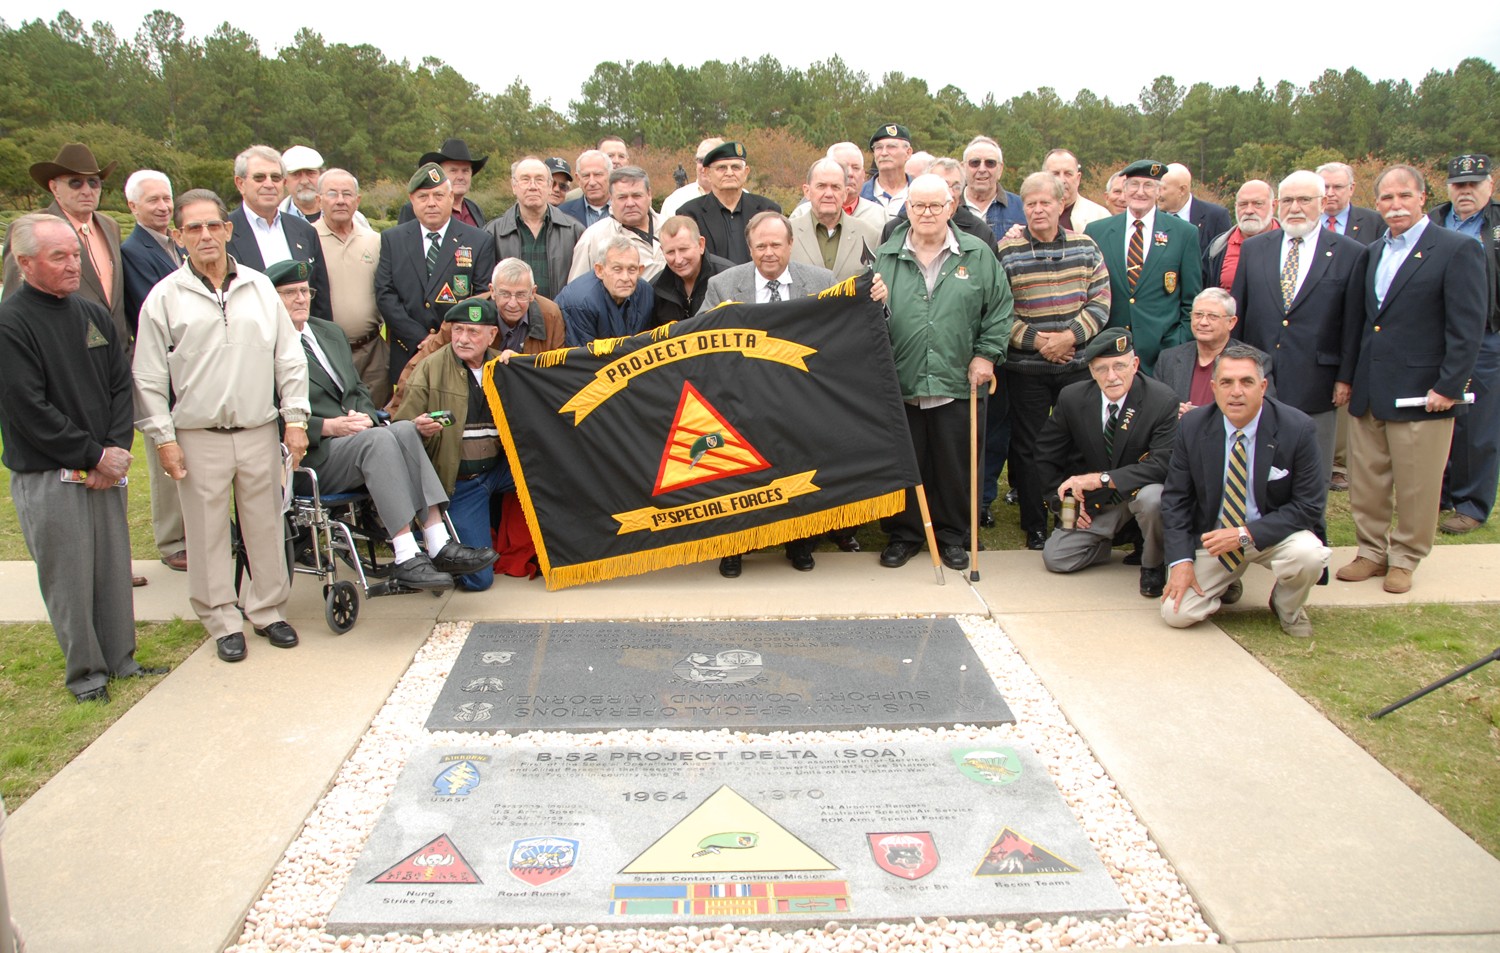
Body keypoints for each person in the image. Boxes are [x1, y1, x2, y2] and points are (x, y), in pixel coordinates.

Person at [133, 188, 311, 664]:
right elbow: (148, 375)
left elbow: (289, 359)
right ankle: (222, 620)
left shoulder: (257, 288)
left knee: (266, 526)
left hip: (258, 428)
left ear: (229, 229)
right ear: (178, 236)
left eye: (213, 225)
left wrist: (295, 419)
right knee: (208, 532)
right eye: (193, 228)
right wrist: (163, 438)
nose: (206, 235)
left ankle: (268, 609)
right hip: (198, 435)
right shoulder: (165, 298)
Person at [0, 214, 166, 702]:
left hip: (105, 466)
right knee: (69, 577)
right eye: (60, 257)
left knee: (112, 570)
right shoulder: (10, 323)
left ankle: (121, 659)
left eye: (75, 254)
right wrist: (92, 454)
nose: (74, 265)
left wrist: (115, 449)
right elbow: (27, 407)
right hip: (51, 473)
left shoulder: (91, 315)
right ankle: (87, 674)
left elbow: (120, 383)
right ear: (25, 263)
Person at [265, 259, 496, 590]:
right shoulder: (265, 344)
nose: (301, 298)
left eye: (305, 290)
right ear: (270, 299)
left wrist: (366, 417)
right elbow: (268, 412)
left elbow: (357, 389)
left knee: (402, 429)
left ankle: (436, 541)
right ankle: (404, 554)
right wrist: (331, 426)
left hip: (356, 440)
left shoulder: (328, 332)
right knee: (381, 440)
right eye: (289, 293)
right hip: (312, 456)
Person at [1337, 165, 1487, 594]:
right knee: (1367, 481)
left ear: (1423, 197)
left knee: (1419, 484)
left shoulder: (1456, 250)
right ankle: (1370, 551)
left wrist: (1449, 386)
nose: (1394, 205)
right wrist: (1348, 378)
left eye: (1404, 196)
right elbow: (1360, 324)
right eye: (1386, 198)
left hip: (1424, 393)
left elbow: (1467, 328)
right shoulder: (1372, 253)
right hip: (1370, 389)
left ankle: (1405, 557)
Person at [875, 174, 1013, 571]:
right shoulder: (886, 255)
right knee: (907, 462)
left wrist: (986, 355)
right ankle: (906, 534)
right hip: (902, 379)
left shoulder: (977, 253)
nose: (928, 213)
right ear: (908, 210)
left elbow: (1000, 309)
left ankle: (952, 535)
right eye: (919, 206)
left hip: (958, 379)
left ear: (951, 207)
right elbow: (869, 319)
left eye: (936, 205)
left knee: (955, 463)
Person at [697, 212, 835, 577]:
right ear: (750, 247)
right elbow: (699, 343)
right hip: (742, 400)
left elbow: (842, 332)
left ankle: (800, 542)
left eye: (776, 244)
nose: (769, 252)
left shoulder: (822, 281)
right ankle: (735, 547)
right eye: (761, 246)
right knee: (738, 475)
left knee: (800, 470)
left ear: (791, 245)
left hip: (802, 398)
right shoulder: (724, 285)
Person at [1161, 343, 1331, 637]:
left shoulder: (1297, 428)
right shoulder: (1192, 426)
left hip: (1271, 534)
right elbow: (1175, 499)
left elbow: (1309, 506)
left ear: (1263, 386)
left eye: (1246, 382)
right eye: (1226, 382)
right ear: (1214, 387)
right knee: (1176, 614)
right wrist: (1181, 561)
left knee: (1310, 554)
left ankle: (1286, 605)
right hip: (1215, 536)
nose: (1236, 391)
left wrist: (1244, 535)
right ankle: (1226, 580)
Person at [997, 171, 1111, 550]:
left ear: (1061, 205)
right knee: (1029, 449)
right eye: (1030, 203)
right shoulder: (1007, 252)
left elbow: (1101, 301)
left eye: (1046, 202)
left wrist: (1069, 338)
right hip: (1027, 370)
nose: (1038, 209)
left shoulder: (1086, 247)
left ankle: (1073, 519)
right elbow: (999, 311)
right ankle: (1035, 524)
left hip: (1075, 367)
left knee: (1078, 446)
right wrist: (1038, 341)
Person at [1232, 170, 1366, 481]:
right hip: (1260, 373)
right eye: (1288, 200)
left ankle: (1309, 527)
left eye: (1305, 200)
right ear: (1278, 204)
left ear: (1322, 203)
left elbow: (1352, 321)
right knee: (1257, 465)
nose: (1296, 207)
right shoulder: (1255, 249)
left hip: (1317, 378)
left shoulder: (1350, 253)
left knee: (1312, 468)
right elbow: (1240, 311)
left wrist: (1345, 377)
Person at [1036, 330, 1178, 596]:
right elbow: (1046, 454)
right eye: (1101, 368)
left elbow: (1163, 464)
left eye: (1119, 366)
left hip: (1140, 495)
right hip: (1100, 502)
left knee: (1153, 498)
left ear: (1135, 365)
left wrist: (1100, 478)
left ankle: (1153, 563)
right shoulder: (1073, 397)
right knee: (1056, 558)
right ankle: (1105, 540)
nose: (1111, 376)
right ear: (1090, 371)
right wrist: (1061, 505)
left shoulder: (1161, 400)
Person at [392, 297, 513, 591]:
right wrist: (420, 429)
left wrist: (520, 369)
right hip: (462, 482)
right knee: (478, 579)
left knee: (557, 473)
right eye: (458, 330)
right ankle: (432, 543)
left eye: (473, 332)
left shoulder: (505, 363)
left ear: (491, 335)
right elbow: (399, 434)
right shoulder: (430, 368)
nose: (463, 339)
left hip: (501, 471)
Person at [120, 169, 188, 573]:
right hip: (160, 367)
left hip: (188, 367)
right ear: (132, 207)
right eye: (153, 201)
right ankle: (172, 539)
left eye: (167, 199)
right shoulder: (135, 252)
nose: (163, 207)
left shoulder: (172, 244)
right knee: (164, 454)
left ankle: (191, 530)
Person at [376, 163, 496, 386]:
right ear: (412, 200)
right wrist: (420, 338)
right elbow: (385, 294)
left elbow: (481, 297)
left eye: (438, 195)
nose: (431, 203)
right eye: (423, 196)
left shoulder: (478, 241)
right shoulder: (393, 239)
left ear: (451, 197)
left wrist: (446, 337)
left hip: (458, 349)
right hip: (409, 349)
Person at [3, 144, 129, 354]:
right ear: (54, 188)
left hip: (116, 356)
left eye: (93, 182)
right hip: (63, 356)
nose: (86, 190)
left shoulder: (110, 226)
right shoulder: (30, 229)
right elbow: (14, 301)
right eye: (75, 183)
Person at [1430, 154, 1500, 535]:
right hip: (1436, 334)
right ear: (1448, 188)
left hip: (1488, 334)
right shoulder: (1433, 221)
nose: (1466, 191)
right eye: (1459, 184)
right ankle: (1438, 494)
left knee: (1479, 423)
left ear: (1490, 184)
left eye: (1474, 183)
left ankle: (1471, 502)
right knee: (1437, 414)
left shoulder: (1497, 225)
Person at [1084, 159, 1202, 374]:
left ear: (1159, 192)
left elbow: (1191, 300)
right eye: (1134, 185)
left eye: (1148, 186)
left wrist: (1178, 342)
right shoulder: (1096, 232)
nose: (1140, 192)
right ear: (1124, 190)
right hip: (1109, 353)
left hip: (1162, 355)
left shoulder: (1184, 233)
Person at [224, 144, 333, 321]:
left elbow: (320, 296)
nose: (269, 184)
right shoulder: (225, 232)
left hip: (301, 337)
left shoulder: (304, 230)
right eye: (259, 178)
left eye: (275, 177)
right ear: (240, 183)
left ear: (283, 183)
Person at [315, 168, 391, 407]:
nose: (340, 200)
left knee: (377, 419)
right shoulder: (307, 238)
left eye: (347, 194)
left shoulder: (374, 240)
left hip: (371, 352)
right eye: (332, 194)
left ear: (357, 200)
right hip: (326, 352)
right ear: (319, 200)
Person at [485, 156, 585, 300]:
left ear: (549, 186)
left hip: (560, 318)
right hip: (512, 319)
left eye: (539, 179)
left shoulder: (575, 231)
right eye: (525, 179)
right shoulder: (493, 232)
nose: (533, 186)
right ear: (514, 186)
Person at [679, 142, 783, 265]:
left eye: (735, 167)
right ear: (707, 173)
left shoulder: (767, 210)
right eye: (721, 168)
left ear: (746, 172)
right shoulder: (690, 214)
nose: (729, 173)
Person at [1156, 289, 1254, 417]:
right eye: (1198, 315)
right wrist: (1171, 412)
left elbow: (1258, 411)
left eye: (1213, 317)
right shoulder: (1168, 359)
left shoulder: (1253, 361)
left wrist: (1199, 418)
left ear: (1231, 322)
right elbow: (1153, 408)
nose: (1203, 322)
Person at [568, 166, 666, 281]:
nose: (630, 203)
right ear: (611, 199)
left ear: (649, 194)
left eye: (636, 196)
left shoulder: (669, 226)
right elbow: (577, 289)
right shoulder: (594, 237)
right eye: (622, 197)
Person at [789, 158, 880, 282]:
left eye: (836, 187)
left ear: (845, 193)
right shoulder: (787, 234)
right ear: (807, 191)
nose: (829, 194)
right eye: (821, 186)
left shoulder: (870, 236)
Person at [558, 237, 655, 346]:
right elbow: (582, 358)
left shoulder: (646, 293)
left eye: (632, 269)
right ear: (599, 270)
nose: (625, 278)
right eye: (617, 269)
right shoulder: (582, 301)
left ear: (640, 270)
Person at [651, 215, 733, 327]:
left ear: (701, 244)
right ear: (662, 251)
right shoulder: (656, 287)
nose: (678, 260)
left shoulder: (730, 277)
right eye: (670, 252)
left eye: (683, 249)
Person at [1203, 180, 1278, 291]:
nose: (1249, 211)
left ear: (1274, 205)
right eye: (1243, 204)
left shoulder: (1292, 244)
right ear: (1235, 206)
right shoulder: (1218, 248)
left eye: (1258, 204)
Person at [397, 138, 488, 227]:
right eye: (453, 171)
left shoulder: (475, 209)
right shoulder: (413, 210)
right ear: (440, 175)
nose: (460, 177)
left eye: (465, 171)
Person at [491, 258, 567, 354]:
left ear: (532, 293)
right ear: (492, 291)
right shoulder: (473, 311)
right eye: (505, 294)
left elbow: (559, 364)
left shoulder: (551, 315)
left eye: (520, 295)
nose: (512, 304)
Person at [1159, 162, 1232, 257]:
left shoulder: (1215, 216)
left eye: (1163, 189)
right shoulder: (1151, 217)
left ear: (1182, 190)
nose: (1157, 194)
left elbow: (1223, 259)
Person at [962, 136, 1025, 240]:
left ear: (1000, 169)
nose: (982, 169)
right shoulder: (948, 208)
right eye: (975, 163)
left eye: (990, 163)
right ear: (963, 168)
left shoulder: (1022, 208)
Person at [1317, 162, 1385, 244]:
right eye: (1325, 187)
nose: (1330, 193)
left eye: (1338, 187)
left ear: (1351, 188)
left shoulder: (1375, 222)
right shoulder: (1305, 222)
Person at [1043, 149, 1111, 231]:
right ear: (1043, 178)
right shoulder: (1031, 214)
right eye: (1055, 174)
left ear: (1078, 178)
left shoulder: (1100, 217)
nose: (1062, 180)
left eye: (1068, 174)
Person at [659, 137, 723, 218]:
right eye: (701, 160)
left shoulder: (741, 199)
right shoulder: (675, 201)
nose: (705, 166)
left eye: (711, 161)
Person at [863, 124, 914, 222]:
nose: (884, 153)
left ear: (908, 153)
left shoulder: (921, 195)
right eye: (878, 148)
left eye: (891, 147)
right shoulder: (860, 195)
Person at [559, 150, 612, 227]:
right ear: (578, 179)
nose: (592, 182)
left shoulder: (625, 210)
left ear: (610, 176)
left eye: (598, 175)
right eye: (586, 176)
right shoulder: (562, 213)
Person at [278, 145, 324, 223]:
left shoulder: (347, 215)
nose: (304, 181)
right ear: (284, 181)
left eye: (310, 173)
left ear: (322, 175)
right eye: (296, 174)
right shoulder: (274, 220)